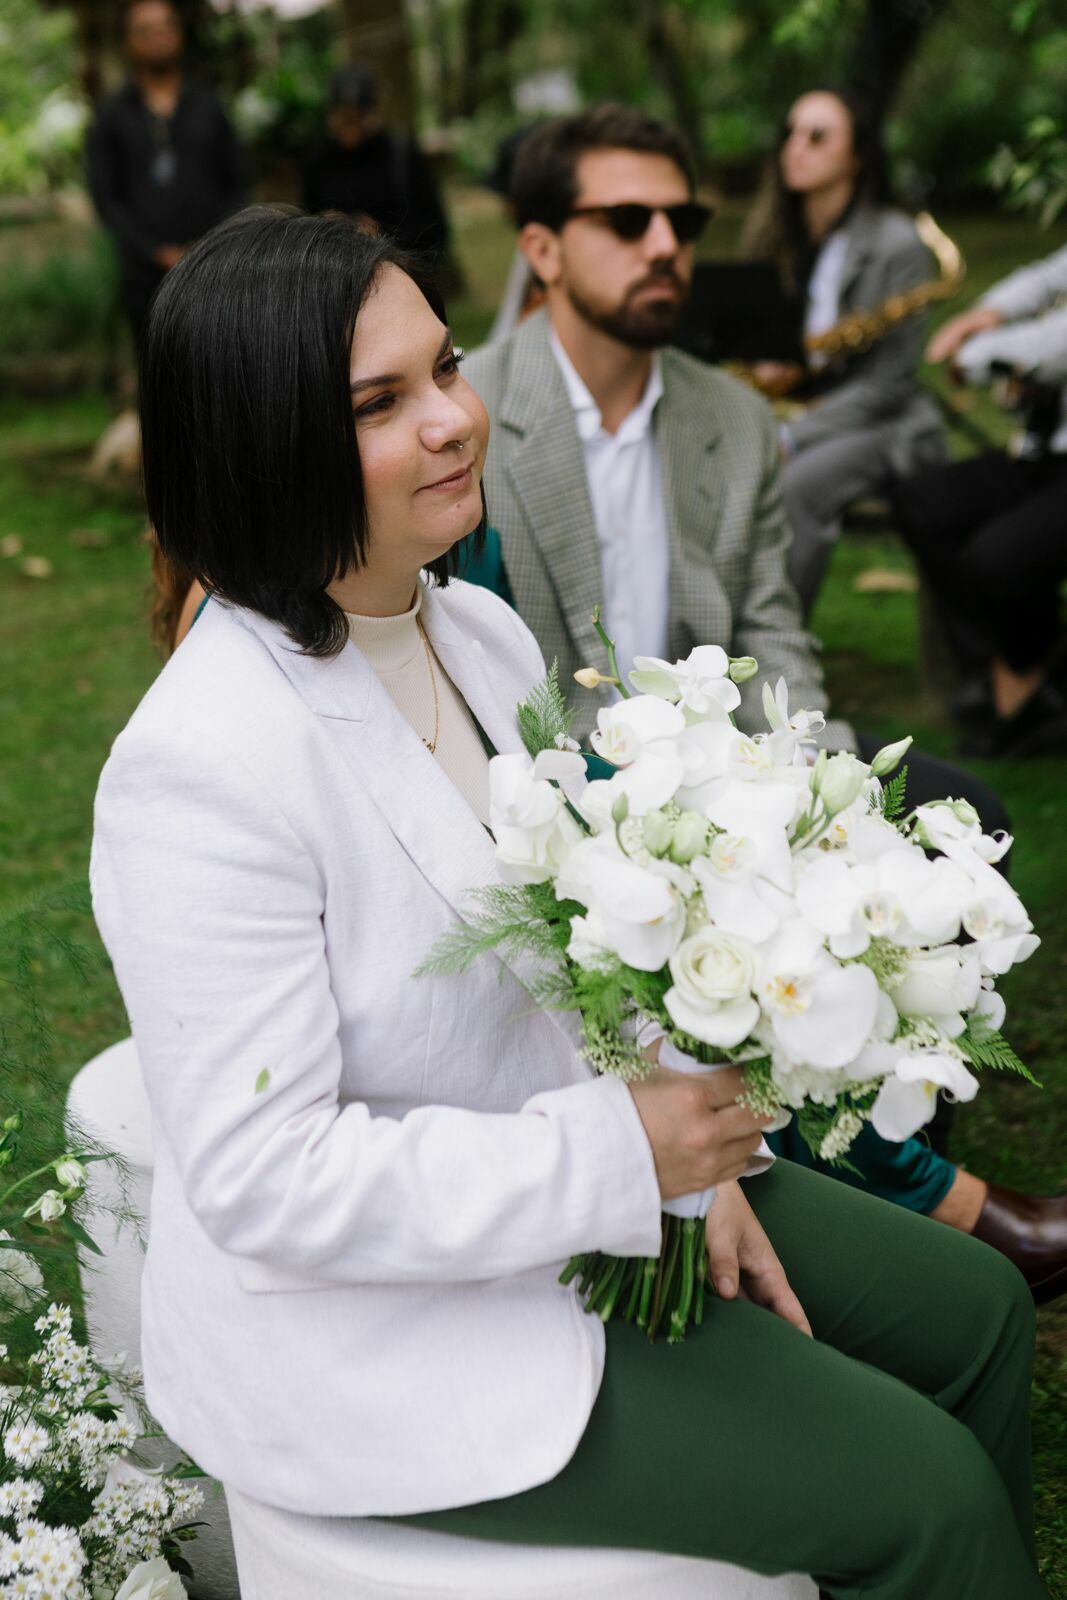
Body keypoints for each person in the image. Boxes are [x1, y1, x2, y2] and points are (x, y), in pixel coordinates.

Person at [90, 203, 1049, 1600]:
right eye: (380, 402)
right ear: (264, 441)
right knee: (928, 1502)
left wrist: (677, 1147)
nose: (453, 420)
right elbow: (266, 1181)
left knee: (974, 1313)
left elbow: (573, 943)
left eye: (446, 368)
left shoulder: (468, 627)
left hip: (604, 1188)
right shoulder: (200, 769)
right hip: (385, 1334)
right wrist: (623, 1161)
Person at [461, 105, 1067, 1300]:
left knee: (943, 821)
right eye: (624, 220)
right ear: (540, 248)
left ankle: (880, 1197)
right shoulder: (467, 415)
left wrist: (820, 798)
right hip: (546, 803)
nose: (664, 245)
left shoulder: (730, 419)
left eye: (680, 220)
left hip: (729, 773)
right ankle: (926, 1213)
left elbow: (774, 636)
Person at [741, 88, 944, 615]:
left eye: (817, 136)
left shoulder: (898, 244)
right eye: (790, 133)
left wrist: (790, 435)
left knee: (798, 485)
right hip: (797, 405)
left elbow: (889, 388)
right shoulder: (776, 234)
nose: (796, 147)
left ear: (856, 156)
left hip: (882, 423)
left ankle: (773, 642)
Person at [895, 244, 1067, 757]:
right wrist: (984, 313)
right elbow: (1044, 275)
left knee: (998, 558)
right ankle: (1008, 667)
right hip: (1046, 452)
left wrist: (972, 352)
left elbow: (1050, 347)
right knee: (925, 503)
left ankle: (1023, 686)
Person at [86, 0, 246, 354]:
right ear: (129, 41)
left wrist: (210, 245)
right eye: (145, 30)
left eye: (164, 27)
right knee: (158, 375)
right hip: (145, 279)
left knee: (217, 370)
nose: (157, 37)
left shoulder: (208, 106)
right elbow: (106, 198)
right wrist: (154, 252)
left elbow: (237, 180)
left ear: (179, 34)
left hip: (213, 268)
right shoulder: (112, 115)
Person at [302, 64, 450, 258]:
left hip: (396, 267)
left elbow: (435, 229)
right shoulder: (319, 160)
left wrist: (380, 233)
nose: (350, 127)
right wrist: (326, 226)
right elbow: (305, 220)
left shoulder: (400, 154)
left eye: (358, 117)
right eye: (342, 118)